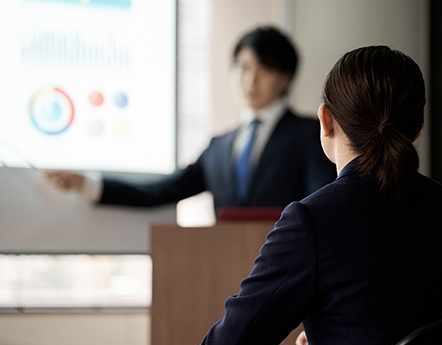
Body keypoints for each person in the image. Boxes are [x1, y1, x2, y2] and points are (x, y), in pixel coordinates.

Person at [198, 46, 442, 345]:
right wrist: (329, 338)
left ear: (326, 120)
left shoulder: (313, 220)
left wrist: (268, 344)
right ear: (416, 131)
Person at [43, 26, 336, 211]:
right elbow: (161, 191)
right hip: (226, 274)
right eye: (242, 68)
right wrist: (87, 183)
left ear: (285, 78)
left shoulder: (310, 133)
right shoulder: (218, 147)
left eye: (264, 69)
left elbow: (322, 204)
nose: (250, 80)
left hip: (292, 277)